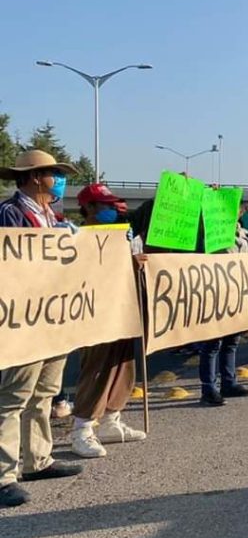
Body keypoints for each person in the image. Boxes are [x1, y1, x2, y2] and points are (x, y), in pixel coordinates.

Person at [0, 150, 85, 507]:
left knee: (44, 391)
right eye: (53, 173)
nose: (57, 179)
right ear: (35, 177)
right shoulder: (10, 213)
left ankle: (37, 459)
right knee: (13, 396)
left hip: (53, 317)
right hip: (25, 318)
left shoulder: (52, 216)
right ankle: (4, 475)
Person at [69, 184, 147, 457]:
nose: (113, 211)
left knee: (123, 364)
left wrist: (135, 262)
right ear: (89, 208)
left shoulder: (119, 236)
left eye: (114, 207)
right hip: (93, 311)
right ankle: (82, 428)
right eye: (106, 206)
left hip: (121, 306)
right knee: (97, 367)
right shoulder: (74, 237)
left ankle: (112, 419)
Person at [198, 204, 248, 406]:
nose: (238, 212)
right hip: (216, 293)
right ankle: (208, 388)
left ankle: (228, 383)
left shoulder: (242, 234)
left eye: (239, 210)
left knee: (232, 341)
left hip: (237, 294)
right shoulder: (212, 231)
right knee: (213, 343)